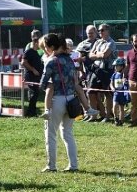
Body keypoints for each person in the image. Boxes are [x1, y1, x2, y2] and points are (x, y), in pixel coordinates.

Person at [38, 34, 97, 172]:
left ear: (52, 47)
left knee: (51, 134)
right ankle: (73, 165)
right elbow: (75, 81)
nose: (45, 49)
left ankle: (51, 166)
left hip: (56, 100)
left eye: (46, 47)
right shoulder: (70, 60)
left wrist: (49, 86)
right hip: (71, 99)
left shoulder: (51, 61)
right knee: (68, 134)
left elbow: (43, 83)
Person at [88, 24, 117, 122]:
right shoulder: (97, 42)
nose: (100, 32)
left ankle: (107, 116)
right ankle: (94, 116)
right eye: (99, 31)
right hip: (96, 70)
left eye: (102, 30)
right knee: (91, 92)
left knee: (107, 94)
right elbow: (90, 55)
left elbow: (105, 55)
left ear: (108, 31)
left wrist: (97, 55)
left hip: (107, 71)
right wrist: (98, 55)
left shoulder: (111, 42)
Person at [76, 25, 100, 120]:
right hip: (87, 72)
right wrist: (81, 71)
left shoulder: (100, 43)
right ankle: (88, 113)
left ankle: (104, 113)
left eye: (92, 33)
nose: (90, 35)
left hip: (99, 71)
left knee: (100, 94)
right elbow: (78, 58)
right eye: (88, 33)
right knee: (87, 93)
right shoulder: (82, 44)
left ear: (95, 33)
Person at [21, 31, 44, 117]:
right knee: (33, 94)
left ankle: (33, 112)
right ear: (36, 43)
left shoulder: (36, 52)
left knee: (35, 94)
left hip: (37, 76)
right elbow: (23, 62)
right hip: (31, 76)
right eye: (39, 44)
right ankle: (30, 113)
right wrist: (33, 70)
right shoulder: (29, 51)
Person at [110, 57, 130, 126]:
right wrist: (112, 88)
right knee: (115, 105)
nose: (115, 67)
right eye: (115, 66)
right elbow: (111, 83)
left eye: (116, 66)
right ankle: (116, 118)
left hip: (122, 94)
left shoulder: (124, 75)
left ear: (121, 66)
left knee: (121, 107)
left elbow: (127, 83)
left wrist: (126, 82)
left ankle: (121, 121)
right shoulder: (114, 75)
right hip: (116, 93)